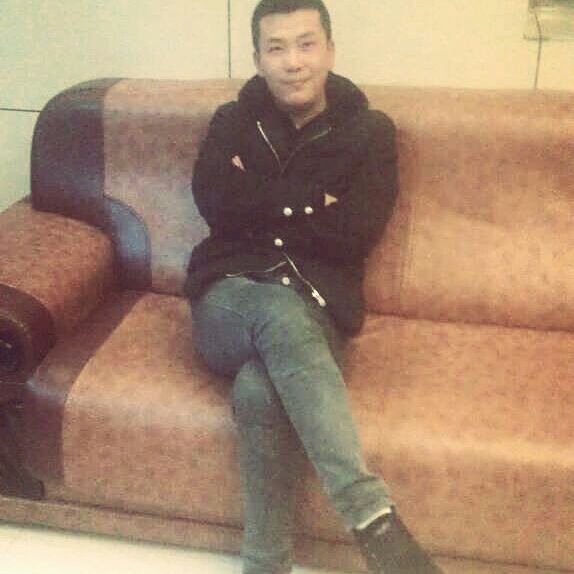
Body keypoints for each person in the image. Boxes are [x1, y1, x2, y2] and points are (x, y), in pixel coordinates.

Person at [185, 1, 443, 572]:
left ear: (329, 50)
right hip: (228, 298)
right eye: (276, 48)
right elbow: (215, 203)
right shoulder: (232, 122)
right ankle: (373, 520)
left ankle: (265, 564)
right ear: (258, 58)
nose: (293, 62)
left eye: (306, 44)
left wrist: (257, 200)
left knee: (260, 390)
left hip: (318, 307)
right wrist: (310, 201)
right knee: (275, 309)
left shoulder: (370, 133)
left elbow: (355, 232)